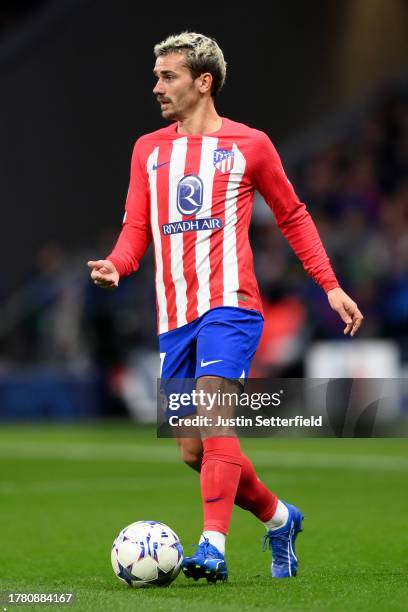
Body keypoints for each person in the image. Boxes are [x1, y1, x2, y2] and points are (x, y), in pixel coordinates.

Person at [88, 31, 364, 583]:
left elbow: (293, 214)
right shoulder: (148, 149)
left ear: (203, 81)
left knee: (216, 417)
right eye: (157, 76)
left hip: (230, 306)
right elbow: (136, 228)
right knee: (195, 451)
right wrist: (119, 263)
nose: (157, 87)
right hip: (175, 316)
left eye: (168, 76)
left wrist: (329, 284)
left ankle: (211, 545)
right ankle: (280, 517)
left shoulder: (250, 145)